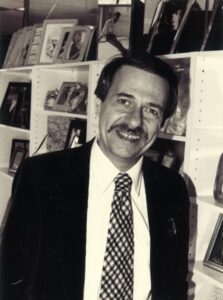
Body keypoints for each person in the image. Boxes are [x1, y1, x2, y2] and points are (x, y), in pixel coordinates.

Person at [0, 51, 190, 300]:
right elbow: (9, 279)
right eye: (124, 101)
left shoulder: (172, 188)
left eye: (151, 111)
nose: (134, 122)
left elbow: (174, 282)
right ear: (99, 105)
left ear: (162, 124)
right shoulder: (41, 177)